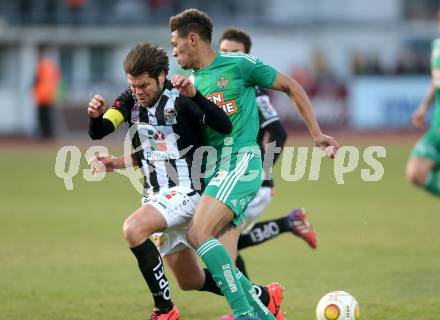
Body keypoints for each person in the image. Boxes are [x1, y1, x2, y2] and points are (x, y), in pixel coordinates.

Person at [87, 43, 283, 320]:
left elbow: (223, 125)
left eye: (143, 85)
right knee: (189, 280)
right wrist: (96, 118)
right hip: (155, 198)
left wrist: (198, 96)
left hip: (186, 191)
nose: (138, 92)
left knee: (133, 229)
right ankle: (263, 296)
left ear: (162, 76)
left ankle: (164, 311)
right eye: (133, 86)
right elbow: (103, 130)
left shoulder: (180, 99)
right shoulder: (130, 99)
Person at [169, 8, 340, 320]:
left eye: (175, 43)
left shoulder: (239, 65)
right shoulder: (187, 85)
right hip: (212, 174)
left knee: (197, 234)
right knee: (227, 272)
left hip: (241, 163)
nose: (173, 50)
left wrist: (316, 133)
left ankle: (247, 316)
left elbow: (290, 85)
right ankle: (265, 310)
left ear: (192, 39)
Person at [218, 28, 318, 283]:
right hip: (228, 175)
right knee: (220, 241)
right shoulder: (217, 86)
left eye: (235, 53)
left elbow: (277, 132)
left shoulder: (253, 90)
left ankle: (250, 306)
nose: (228, 57)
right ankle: (289, 223)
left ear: (247, 57)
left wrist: (263, 172)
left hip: (250, 180)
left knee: (217, 240)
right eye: (224, 52)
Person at [406, 15, 440, 197]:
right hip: (437, 129)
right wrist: (424, 107)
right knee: (416, 173)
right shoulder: (437, 47)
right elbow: (436, 82)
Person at [33, 47, 60, 139]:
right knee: (49, 117)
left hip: (41, 96)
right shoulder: (53, 66)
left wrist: (32, 89)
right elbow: (57, 80)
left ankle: (44, 135)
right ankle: (50, 134)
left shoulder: (41, 66)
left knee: (42, 118)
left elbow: (36, 79)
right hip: (50, 95)